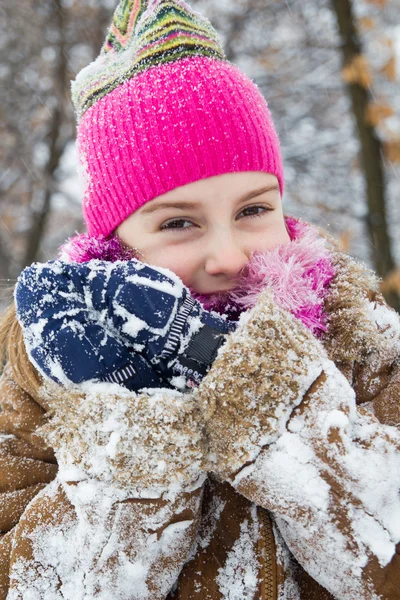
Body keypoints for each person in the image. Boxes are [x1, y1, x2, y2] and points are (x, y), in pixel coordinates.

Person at [0, 0, 399, 598]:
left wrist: (265, 386)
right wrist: (132, 422)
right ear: (115, 239)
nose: (229, 257)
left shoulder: (358, 337)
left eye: (254, 210)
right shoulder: (48, 373)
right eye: (179, 223)